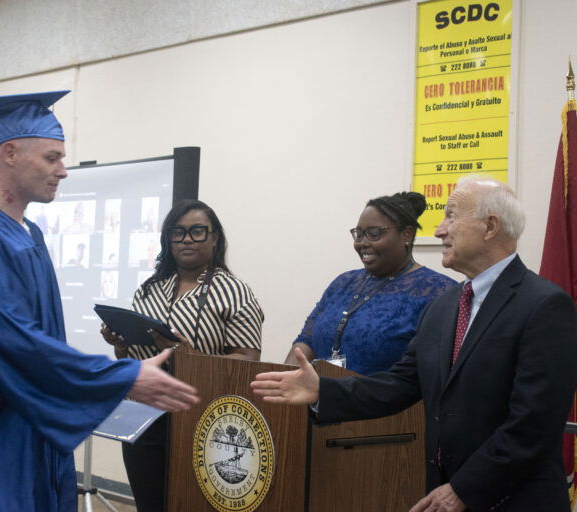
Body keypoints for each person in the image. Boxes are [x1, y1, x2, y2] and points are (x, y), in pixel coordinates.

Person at [0, 90, 198, 512]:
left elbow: (37, 338)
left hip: (30, 426)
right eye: (52, 158)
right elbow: (14, 343)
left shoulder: (28, 235)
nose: (63, 171)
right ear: (10, 153)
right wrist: (119, 377)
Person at [252, 178, 577, 512]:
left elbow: (533, 424)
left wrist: (463, 490)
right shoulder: (445, 305)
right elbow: (401, 383)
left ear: (490, 226)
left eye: (451, 217)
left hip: (512, 501)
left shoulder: (544, 305)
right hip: (440, 497)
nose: (438, 231)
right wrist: (323, 391)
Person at [101, 198, 264, 511]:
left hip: (203, 418)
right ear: (168, 239)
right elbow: (134, 359)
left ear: (215, 237)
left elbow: (249, 361)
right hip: (144, 416)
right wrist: (120, 345)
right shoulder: (149, 289)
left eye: (198, 231)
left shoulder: (234, 291)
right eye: (178, 232)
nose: (187, 239)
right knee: (150, 503)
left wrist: (189, 357)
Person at [286, 191, 455, 374]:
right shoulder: (343, 283)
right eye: (359, 234)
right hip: (320, 400)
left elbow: (433, 372)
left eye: (374, 234)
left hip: (386, 401)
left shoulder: (439, 292)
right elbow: (306, 339)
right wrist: (279, 388)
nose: (362, 243)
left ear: (406, 234)